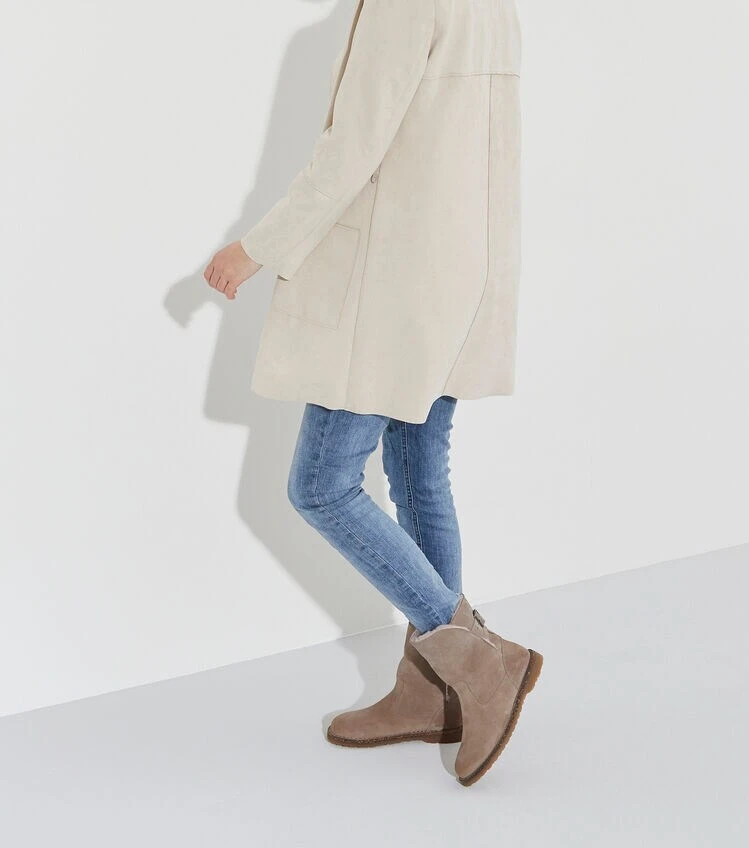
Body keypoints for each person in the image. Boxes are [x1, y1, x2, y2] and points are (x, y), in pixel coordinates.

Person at [203, 0, 541, 787]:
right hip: (458, 274)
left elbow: (353, 148)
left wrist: (256, 248)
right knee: (420, 472)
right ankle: (434, 695)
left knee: (321, 486)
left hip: (390, 282)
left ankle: (477, 661)